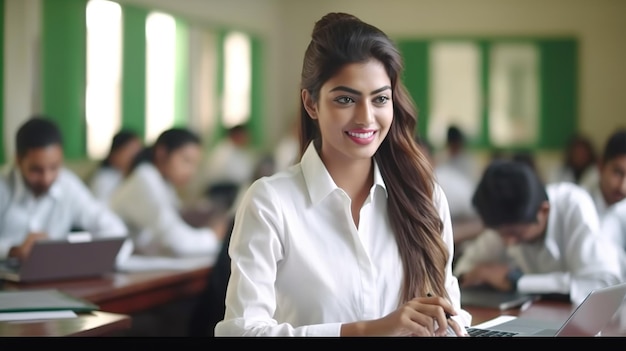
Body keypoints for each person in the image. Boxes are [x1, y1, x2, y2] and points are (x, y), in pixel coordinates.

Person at [214, 12, 471, 337]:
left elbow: (452, 311)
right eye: (346, 99)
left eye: (380, 99)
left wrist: (450, 325)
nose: (366, 118)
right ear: (311, 104)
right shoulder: (270, 202)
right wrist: (370, 330)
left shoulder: (424, 196)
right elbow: (241, 332)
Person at [453, 159, 623, 306]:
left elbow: (600, 284)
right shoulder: (506, 222)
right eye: (500, 234)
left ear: (543, 211)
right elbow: (465, 269)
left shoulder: (573, 206)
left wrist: (515, 280)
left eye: (516, 234)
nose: (508, 243)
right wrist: (477, 274)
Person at [0, 117, 128, 262]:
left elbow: (114, 229)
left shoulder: (67, 185)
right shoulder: (3, 186)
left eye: (54, 167)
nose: (46, 178)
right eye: (36, 170)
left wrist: (88, 256)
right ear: (17, 160)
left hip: (55, 277)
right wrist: (13, 250)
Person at [108, 128, 228, 260]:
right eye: (186, 160)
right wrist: (214, 235)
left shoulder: (161, 180)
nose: (191, 171)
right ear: (162, 154)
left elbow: (173, 224)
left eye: (195, 164)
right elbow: (178, 241)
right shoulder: (145, 179)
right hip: (115, 261)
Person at [88, 129, 143, 204]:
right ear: (114, 154)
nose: (136, 157)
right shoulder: (104, 180)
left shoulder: (132, 176)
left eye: (138, 152)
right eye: (130, 151)